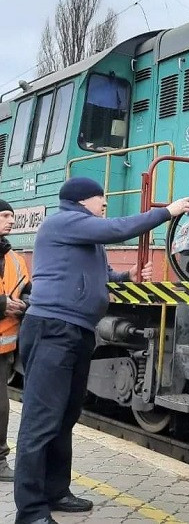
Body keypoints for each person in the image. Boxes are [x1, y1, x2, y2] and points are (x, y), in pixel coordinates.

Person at [14, 177, 189, 524]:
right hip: (53, 329)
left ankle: (56, 492)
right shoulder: (64, 221)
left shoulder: (81, 232)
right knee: (41, 421)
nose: (106, 204)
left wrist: (125, 276)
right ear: (83, 201)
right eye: (102, 198)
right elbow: (118, 228)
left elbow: (98, 273)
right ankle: (31, 511)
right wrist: (166, 213)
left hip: (76, 331)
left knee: (65, 416)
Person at [0, 200, 31, 483]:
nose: (11, 220)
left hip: (3, 350)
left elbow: (27, 291)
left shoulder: (17, 260)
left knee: (0, 406)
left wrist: (25, 304)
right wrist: (2, 305)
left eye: (12, 216)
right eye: (5, 215)